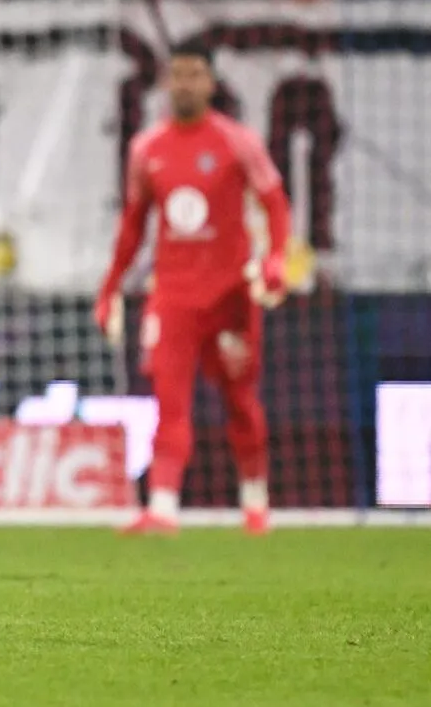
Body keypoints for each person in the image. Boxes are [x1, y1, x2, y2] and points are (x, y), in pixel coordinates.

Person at [94, 40, 290, 536]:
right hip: (173, 296)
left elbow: (275, 203)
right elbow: (133, 226)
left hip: (230, 296)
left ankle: (255, 501)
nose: (184, 84)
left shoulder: (238, 142)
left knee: (240, 402)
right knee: (169, 401)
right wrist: (110, 287)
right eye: (177, 74)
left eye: (194, 75)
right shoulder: (146, 149)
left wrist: (275, 259)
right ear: (166, 80)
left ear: (210, 82)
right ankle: (162, 507)